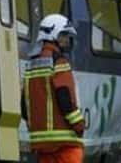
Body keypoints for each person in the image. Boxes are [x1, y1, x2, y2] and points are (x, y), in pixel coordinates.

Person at [22, 14, 85, 163]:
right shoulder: (59, 62)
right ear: (53, 35)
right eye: (64, 35)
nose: (67, 40)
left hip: (40, 144)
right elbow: (64, 97)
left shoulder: (30, 66)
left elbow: (24, 106)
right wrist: (79, 124)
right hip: (65, 143)